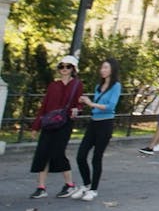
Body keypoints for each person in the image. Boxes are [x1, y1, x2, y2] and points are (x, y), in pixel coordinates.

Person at [30, 54, 83, 199]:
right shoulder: (53, 85)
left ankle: (70, 185)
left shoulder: (77, 85)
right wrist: (36, 126)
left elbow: (79, 103)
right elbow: (44, 106)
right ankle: (41, 188)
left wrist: (77, 109)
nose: (64, 69)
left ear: (73, 69)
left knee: (58, 153)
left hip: (65, 123)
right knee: (42, 153)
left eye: (68, 66)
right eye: (61, 66)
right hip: (49, 123)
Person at [71, 57, 123, 201]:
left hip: (105, 124)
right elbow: (96, 104)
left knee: (96, 157)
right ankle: (86, 185)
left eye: (106, 68)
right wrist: (87, 101)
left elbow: (111, 106)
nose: (102, 70)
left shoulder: (116, 86)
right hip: (93, 123)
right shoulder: (98, 86)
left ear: (112, 69)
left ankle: (94, 189)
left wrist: (91, 104)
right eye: (102, 68)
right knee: (81, 155)